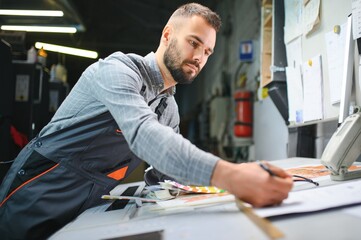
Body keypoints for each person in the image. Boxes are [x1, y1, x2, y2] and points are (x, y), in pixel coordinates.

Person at [0, 3, 293, 239]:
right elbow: (144, 134)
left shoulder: (168, 107)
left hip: (84, 208)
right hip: (37, 196)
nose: (200, 58)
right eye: (194, 43)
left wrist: (227, 190)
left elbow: (167, 174)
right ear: (167, 34)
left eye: (207, 52)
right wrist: (233, 177)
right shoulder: (117, 71)